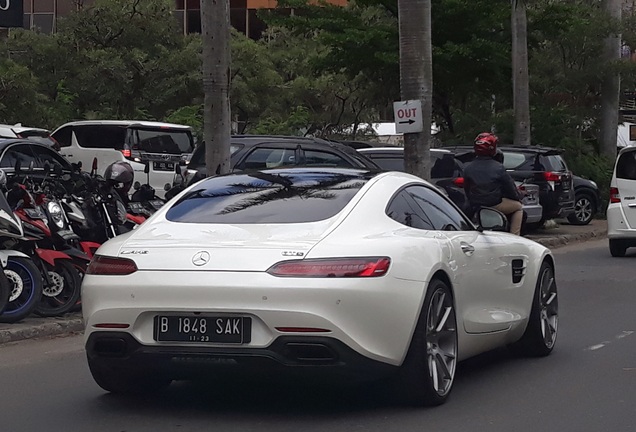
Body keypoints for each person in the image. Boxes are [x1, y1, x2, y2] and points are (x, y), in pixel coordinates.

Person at [463, 132, 524, 235]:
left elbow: (467, 190)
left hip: (475, 205)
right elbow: (511, 190)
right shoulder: (498, 167)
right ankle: (515, 236)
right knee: (518, 207)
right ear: (492, 148)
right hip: (494, 204)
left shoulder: (468, 168)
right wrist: (519, 196)